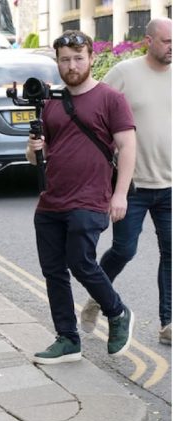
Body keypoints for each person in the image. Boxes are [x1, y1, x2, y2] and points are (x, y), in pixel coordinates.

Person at [26, 30, 137, 365]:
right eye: (64, 59)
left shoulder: (110, 99)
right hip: (50, 200)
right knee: (54, 272)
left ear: (90, 58)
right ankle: (67, 339)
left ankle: (117, 312)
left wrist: (120, 195)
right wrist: (33, 150)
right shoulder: (52, 103)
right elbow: (39, 156)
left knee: (80, 261)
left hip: (90, 198)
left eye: (78, 58)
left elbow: (128, 146)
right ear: (57, 62)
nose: (71, 65)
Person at [80, 18, 172, 345]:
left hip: (169, 185)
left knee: (171, 252)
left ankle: (168, 323)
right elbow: (94, 109)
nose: (171, 46)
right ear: (148, 40)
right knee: (124, 250)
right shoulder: (125, 73)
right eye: (166, 41)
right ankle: (97, 298)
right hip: (133, 186)